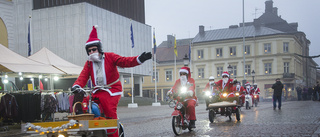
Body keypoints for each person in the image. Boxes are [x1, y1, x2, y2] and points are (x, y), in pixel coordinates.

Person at [71, 25, 152, 137]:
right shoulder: (89, 63)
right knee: (84, 104)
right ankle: (87, 129)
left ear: (99, 49)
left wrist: (139, 59)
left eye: (94, 49)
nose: (91, 52)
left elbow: (124, 61)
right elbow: (83, 77)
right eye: (89, 51)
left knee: (109, 108)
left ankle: (113, 134)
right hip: (97, 91)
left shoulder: (110, 57)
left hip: (112, 89)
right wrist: (76, 86)